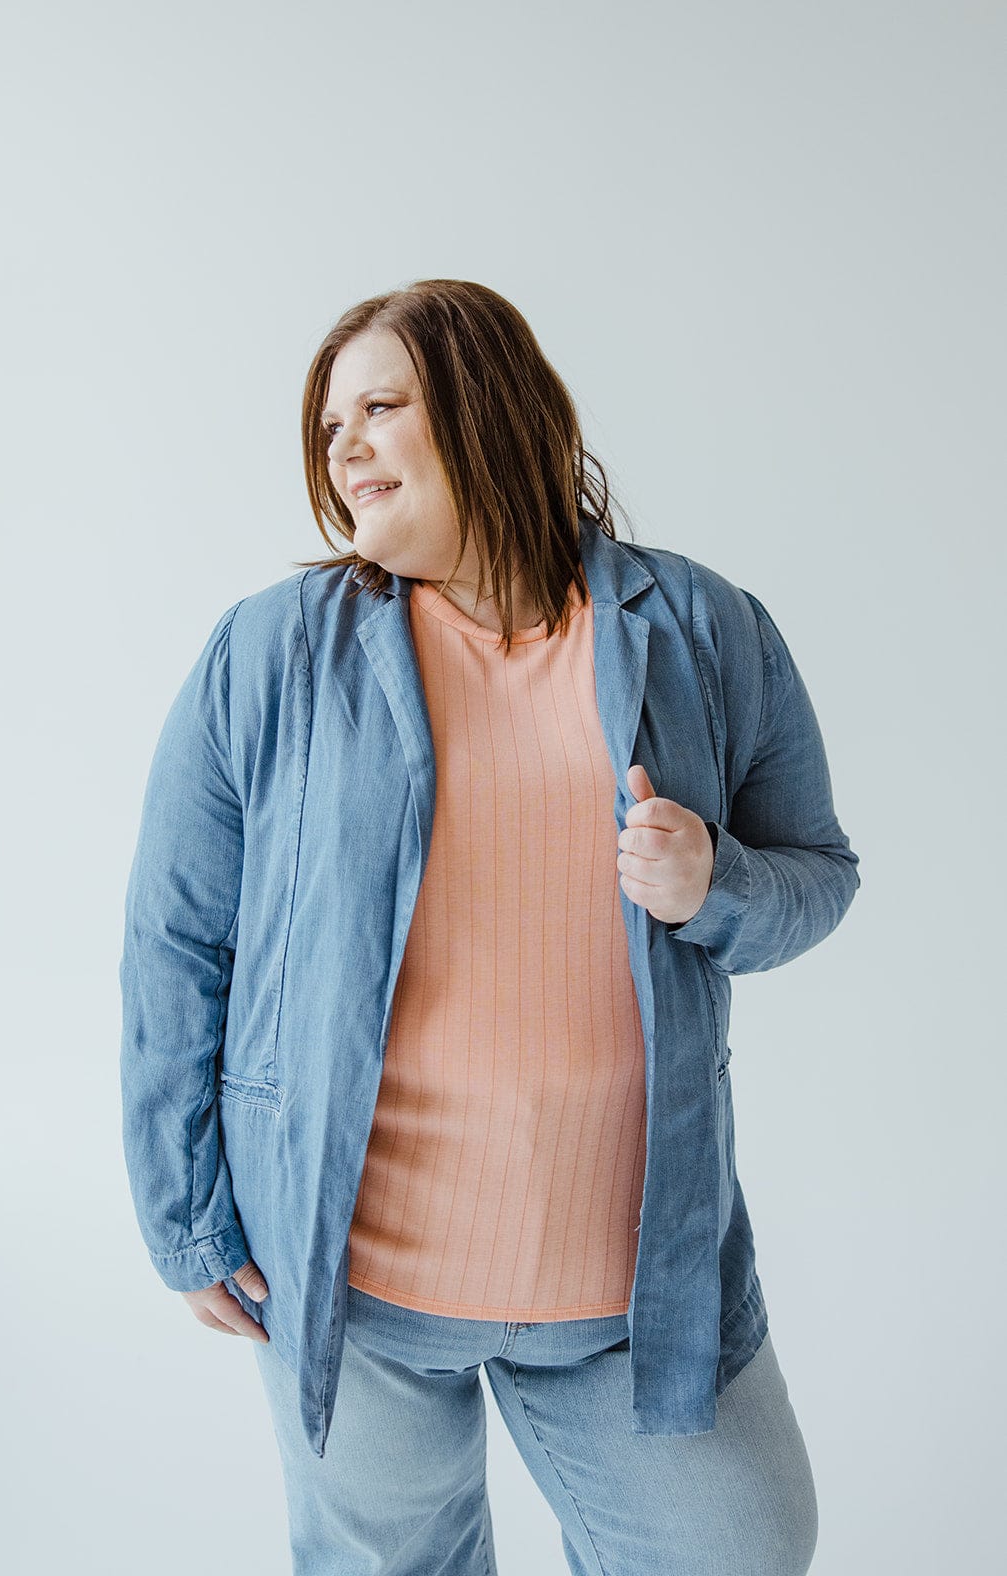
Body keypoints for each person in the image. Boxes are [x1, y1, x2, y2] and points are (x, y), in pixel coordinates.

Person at [119, 278, 860, 1575]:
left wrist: (714, 886)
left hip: (632, 1290)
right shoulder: (271, 653)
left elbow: (819, 874)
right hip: (353, 1287)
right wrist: (186, 1217)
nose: (341, 446)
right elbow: (177, 941)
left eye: (380, 406)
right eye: (327, 424)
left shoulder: (702, 630)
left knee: (740, 1545)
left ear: (487, 410)